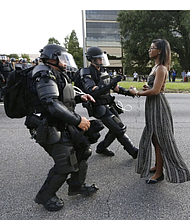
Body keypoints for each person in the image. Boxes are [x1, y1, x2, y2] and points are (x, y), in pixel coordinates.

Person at [24, 44, 99, 211]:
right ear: (52, 58)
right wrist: (78, 120)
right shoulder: (43, 74)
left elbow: (62, 98)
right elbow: (51, 104)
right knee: (65, 162)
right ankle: (45, 196)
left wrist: (80, 98)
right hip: (47, 126)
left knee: (83, 149)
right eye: (62, 58)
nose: (65, 61)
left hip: (61, 123)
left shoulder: (55, 73)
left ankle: (76, 185)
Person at [130, 39, 190, 184]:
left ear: (160, 50)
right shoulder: (156, 67)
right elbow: (154, 88)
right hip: (152, 105)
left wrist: (136, 92)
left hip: (158, 106)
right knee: (153, 137)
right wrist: (147, 88)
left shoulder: (161, 68)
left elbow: (156, 91)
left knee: (160, 139)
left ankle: (159, 173)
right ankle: (158, 165)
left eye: (152, 48)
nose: (149, 50)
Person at [78, 46, 138, 158]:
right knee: (119, 129)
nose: (101, 61)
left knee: (116, 128)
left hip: (109, 105)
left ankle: (102, 147)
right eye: (98, 59)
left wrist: (129, 92)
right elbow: (92, 91)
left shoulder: (103, 71)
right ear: (91, 59)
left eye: (102, 58)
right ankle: (133, 151)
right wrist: (110, 84)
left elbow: (115, 88)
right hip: (98, 107)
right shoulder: (86, 72)